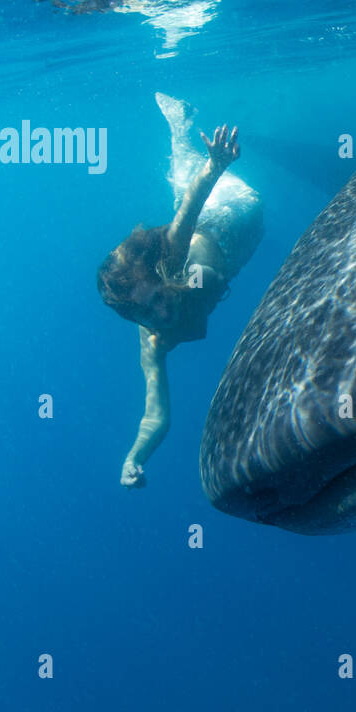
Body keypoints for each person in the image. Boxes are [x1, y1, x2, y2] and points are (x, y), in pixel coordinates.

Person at [97, 93, 264, 488]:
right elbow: (156, 414)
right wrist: (134, 458)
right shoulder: (153, 339)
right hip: (237, 241)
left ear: (159, 277)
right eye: (146, 313)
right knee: (179, 181)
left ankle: (178, 124)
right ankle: (181, 133)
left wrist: (216, 165)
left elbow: (192, 204)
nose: (161, 314)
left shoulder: (171, 261)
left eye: (157, 297)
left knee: (183, 182)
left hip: (233, 207)